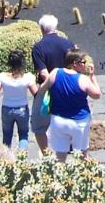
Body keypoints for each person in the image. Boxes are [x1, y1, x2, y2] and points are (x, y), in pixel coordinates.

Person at [38, 49, 102, 162]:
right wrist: (92, 77)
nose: (85, 65)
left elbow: (42, 89)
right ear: (75, 63)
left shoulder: (55, 72)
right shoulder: (84, 79)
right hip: (79, 122)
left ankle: (61, 178)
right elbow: (97, 95)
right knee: (82, 156)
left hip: (58, 120)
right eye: (83, 62)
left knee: (60, 157)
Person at [30, 14, 75, 152]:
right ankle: (70, 149)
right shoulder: (69, 44)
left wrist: (54, 86)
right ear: (55, 27)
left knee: (39, 126)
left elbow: (43, 73)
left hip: (48, 91)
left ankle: (47, 155)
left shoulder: (38, 47)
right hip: (68, 88)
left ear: (41, 28)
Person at [0, 49, 38, 151]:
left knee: (7, 135)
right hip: (22, 110)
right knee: (23, 135)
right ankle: (21, 159)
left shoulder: (2, 76)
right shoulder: (28, 77)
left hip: (7, 109)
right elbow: (36, 94)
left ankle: (6, 160)